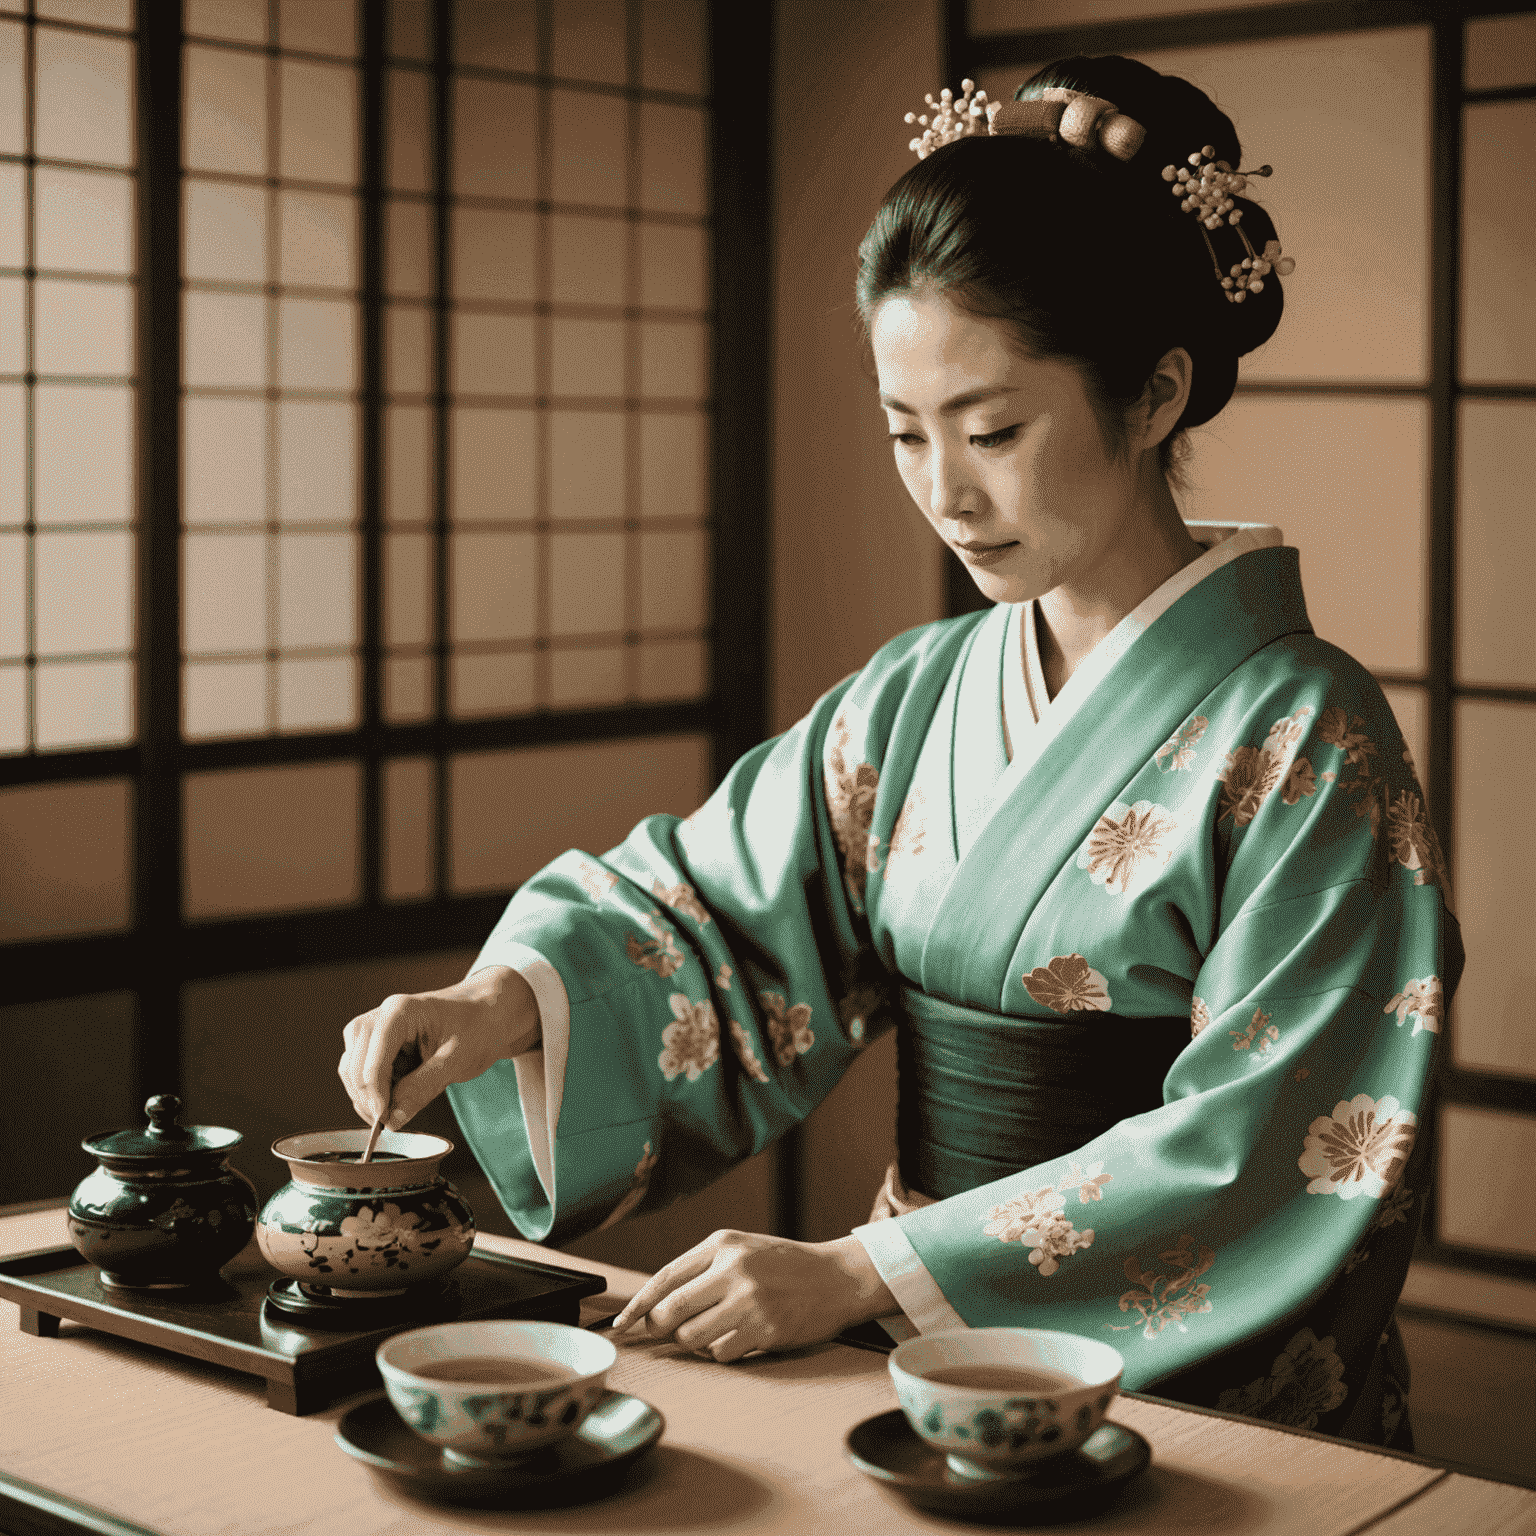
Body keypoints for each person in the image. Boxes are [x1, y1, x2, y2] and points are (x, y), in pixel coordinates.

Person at [336, 56, 1461, 1447]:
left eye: (993, 430)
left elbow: (1268, 1140)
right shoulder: (922, 692)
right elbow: (719, 914)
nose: (945, 491)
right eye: (904, 434)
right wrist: (508, 1002)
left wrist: (860, 1275)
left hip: (1172, 1383)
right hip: (924, 1343)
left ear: (1158, 393)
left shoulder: (1306, 737)